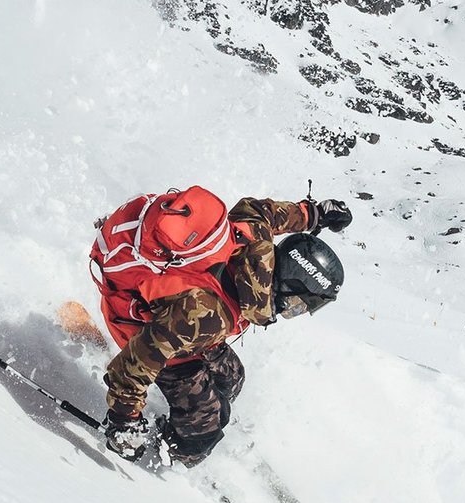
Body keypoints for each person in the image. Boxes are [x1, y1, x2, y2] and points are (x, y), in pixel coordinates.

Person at [90, 187, 352, 466]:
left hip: (176, 319)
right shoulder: (209, 315)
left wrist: (314, 214)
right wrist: (124, 421)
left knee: (232, 376)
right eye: (297, 305)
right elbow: (135, 363)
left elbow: (261, 211)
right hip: (134, 322)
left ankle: (198, 412)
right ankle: (170, 455)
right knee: (205, 428)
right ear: (286, 286)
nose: (291, 311)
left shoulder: (255, 238)